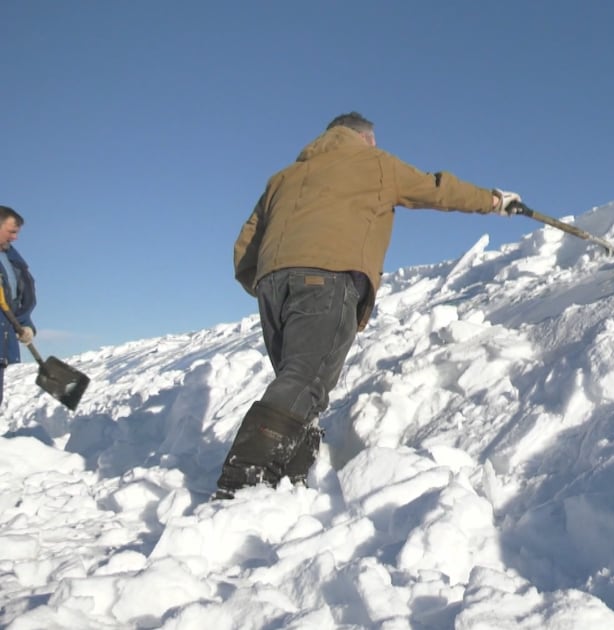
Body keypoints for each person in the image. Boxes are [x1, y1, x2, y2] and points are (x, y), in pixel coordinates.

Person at [216, 112, 522, 499]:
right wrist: (495, 201)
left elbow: (246, 244)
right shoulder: (375, 164)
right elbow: (437, 189)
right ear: (366, 139)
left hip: (273, 285)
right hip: (326, 278)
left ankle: (285, 483)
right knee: (305, 379)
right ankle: (243, 480)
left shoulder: (283, 178)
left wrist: (265, 281)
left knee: (299, 386)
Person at [0, 205, 37, 410]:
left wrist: (25, 324)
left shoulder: (11, 259)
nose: (15, 238)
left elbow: (19, 297)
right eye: (11, 231)